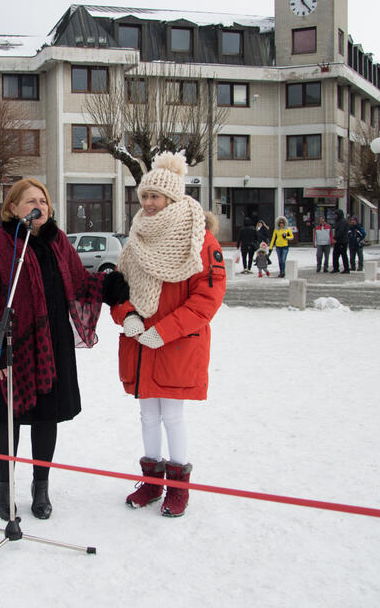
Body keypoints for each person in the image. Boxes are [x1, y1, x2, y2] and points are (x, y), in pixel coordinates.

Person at [0, 178, 115, 521]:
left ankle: (41, 486)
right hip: (7, 343)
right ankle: (5, 486)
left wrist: (110, 286)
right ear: (13, 208)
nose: (39, 206)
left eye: (44, 201)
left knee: (47, 417)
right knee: (7, 419)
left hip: (51, 343)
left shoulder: (58, 242)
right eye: (31, 201)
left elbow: (79, 283)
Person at [110, 151, 226, 517]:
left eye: (155, 197)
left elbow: (208, 297)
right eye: (144, 196)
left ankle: (178, 486)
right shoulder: (136, 239)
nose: (148, 203)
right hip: (141, 343)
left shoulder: (201, 239)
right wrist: (126, 315)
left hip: (175, 344)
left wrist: (165, 331)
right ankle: (152, 481)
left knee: (172, 415)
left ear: (172, 197)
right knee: (147, 415)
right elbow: (117, 287)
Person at [330, 209, 350, 273]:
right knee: (335, 255)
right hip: (338, 241)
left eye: (336, 214)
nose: (335, 216)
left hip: (342, 241)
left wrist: (335, 238)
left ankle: (346, 269)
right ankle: (336, 268)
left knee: (343, 255)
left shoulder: (343, 222)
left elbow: (340, 231)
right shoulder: (338, 221)